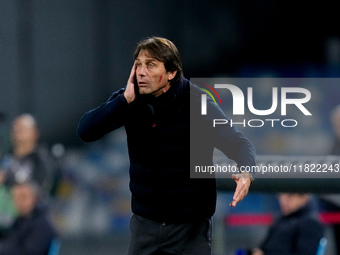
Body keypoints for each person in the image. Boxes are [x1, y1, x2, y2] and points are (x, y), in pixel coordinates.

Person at [77, 36, 256, 255]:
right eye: (139, 65)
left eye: (150, 65)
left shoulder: (197, 102)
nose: (142, 72)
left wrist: (246, 171)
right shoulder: (129, 100)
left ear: (171, 73)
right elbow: (85, 131)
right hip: (146, 227)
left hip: (189, 228)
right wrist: (122, 101)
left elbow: (238, 142)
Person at [0, 114, 58, 198]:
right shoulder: (5, 156)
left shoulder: (42, 159)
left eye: (22, 129)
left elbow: (44, 188)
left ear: (35, 133)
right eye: (15, 129)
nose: (17, 132)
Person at [249, 193, 324, 255]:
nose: (284, 200)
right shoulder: (280, 219)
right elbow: (264, 248)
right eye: (281, 196)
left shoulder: (310, 223)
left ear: (304, 198)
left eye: (289, 196)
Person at [0, 181, 57, 255]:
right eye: (15, 197)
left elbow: (29, 251)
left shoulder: (43, 225)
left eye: (23, 197)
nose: (19, 202)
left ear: (35, 197)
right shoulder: (20, 220)